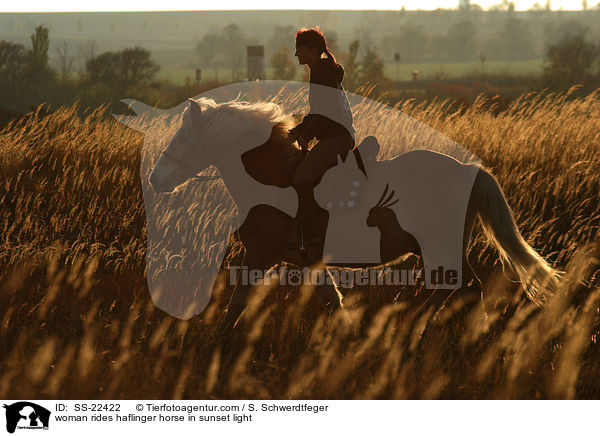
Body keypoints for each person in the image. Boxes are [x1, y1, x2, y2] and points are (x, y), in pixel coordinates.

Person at [288, 27, 356, 247]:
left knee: (301, 177)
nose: (296, 54)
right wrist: (298, 131)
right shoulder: (321, 70)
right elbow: (318, 112)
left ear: (313, 49)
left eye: (300, 49)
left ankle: (313, 233)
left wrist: (306, 135)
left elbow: (323, 114)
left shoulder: (321, 73)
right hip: (336, 136)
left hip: (337, 138)